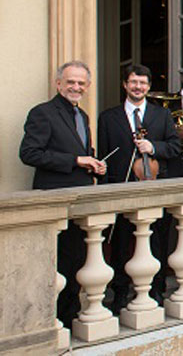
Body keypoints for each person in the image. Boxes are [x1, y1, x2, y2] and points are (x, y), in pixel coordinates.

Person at [19, 61, 106, 328]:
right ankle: (52, 323)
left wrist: (94, 164)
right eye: (70, 82)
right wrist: (76, 160)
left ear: (88, 87)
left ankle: (68, 319)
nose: (76, 87)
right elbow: (29, 153)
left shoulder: (84, 116)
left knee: (76, 263)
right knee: (56, 268)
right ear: (58, 84)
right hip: (54, 203)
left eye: (81, 83)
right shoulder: (42, 113)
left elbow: (81, 154)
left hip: (80, 203)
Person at [98, 64, 180, 313]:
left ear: (148, 86)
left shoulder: (161, 115)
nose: (138, 87)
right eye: (133, 82)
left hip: (153, 188)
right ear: (125, 85)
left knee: (155, 241)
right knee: (121, 243)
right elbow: (104, 155)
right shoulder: (108, 117)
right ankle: (120, 292)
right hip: (121, 188)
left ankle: (156, 289)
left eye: (143, 83)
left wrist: (153, 147)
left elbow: (175, 147)